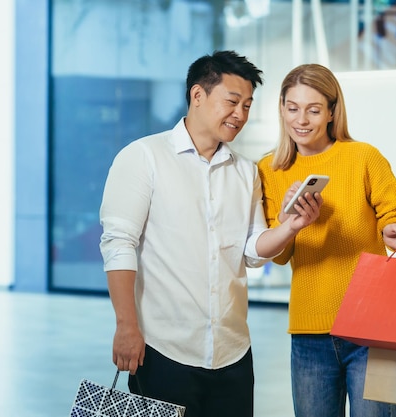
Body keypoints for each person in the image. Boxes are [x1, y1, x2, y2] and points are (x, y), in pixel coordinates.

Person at [99, 51, 322, 417]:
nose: (240, 115)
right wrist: (126, 326)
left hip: (232, 351)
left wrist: (291, 227)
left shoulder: (245, 172)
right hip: (162, 349)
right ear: (197, 95)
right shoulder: (144, 157)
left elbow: (252, 250)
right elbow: (119, 244)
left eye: (248, 106)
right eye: (232, 102)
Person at [257, 63, 396, 417]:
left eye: (314, 110)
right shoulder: (269, 170)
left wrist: (392, 229)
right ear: (282, 108)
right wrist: (290, 221)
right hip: (309, 332)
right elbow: (280, 255)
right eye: (292, 107)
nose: (301, 119)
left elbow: (392, 211)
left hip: (370, 328)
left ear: (332, 111)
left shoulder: (363, 157)